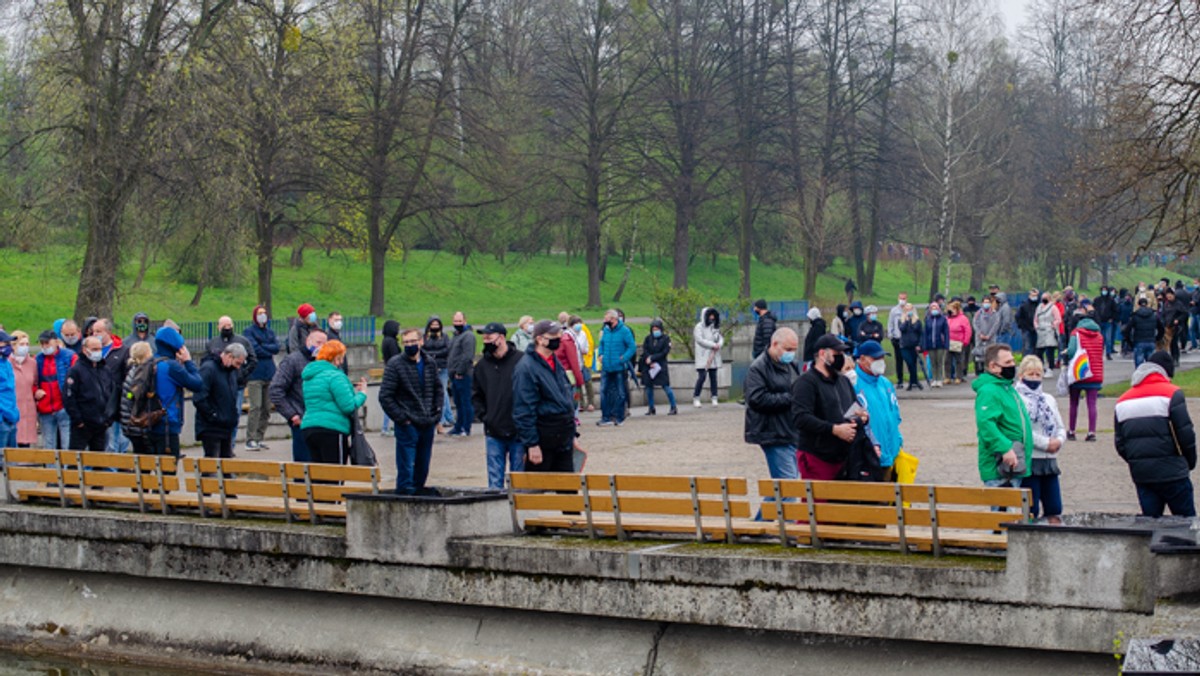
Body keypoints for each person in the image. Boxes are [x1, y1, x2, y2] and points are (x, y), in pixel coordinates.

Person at [1115, 351, 1197, 517]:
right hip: (1173, 472)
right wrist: (1189, 462)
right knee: (1187, 525)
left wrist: (1137, 462)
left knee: (1150, 525)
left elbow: (1120, 443)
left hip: (1143, 474)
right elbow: (1185, 434)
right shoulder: (1172, 394)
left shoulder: (1122, 401)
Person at [380, 328, 444, 494]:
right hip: (408, 423)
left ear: (421, 342)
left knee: (423, 464)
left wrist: (436, 413)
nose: (409, 345)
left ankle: (419, 494)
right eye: (406, 342)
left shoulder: (429, 362)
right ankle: (405, 496)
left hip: (427, 421)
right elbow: (385, 396)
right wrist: (402, 419)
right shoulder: (395, 364)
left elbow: (438, 389)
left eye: (412, 342)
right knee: (406, 466)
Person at [512, 320, 578, 473]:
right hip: (543, 439)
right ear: (540, 339)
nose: (558, 338)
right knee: (536, 491)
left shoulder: (556, 362)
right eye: (553, 335)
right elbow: (523, 409)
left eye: (559, 334)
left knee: (568, 491)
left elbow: (566, 397)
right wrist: (532, 444)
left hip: (563, 438)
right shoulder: (526, 368)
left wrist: (572, 434)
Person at [792, 334, 861, 480]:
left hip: (844, 456)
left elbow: (855, 408)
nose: (841, 357)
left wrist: (862, 417)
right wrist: (834, 429)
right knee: (818, 501)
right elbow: (801, 418)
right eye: (837, 354)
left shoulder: (844, 381)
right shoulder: (806, 382)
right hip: (817, 455)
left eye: (843, 353)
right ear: (823, 354)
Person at [972, 343, 1033, 489]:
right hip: (1000, 468)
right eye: (1008, 362)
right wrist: (1005, 448)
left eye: (1013, 361)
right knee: (1005, 511)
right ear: (993, 366)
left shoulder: (1007, 388)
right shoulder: (989, 391)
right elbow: (986, 424)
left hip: (1015, 462)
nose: (1013, 365)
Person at [745, 328, 801, 484]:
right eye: (788, 349)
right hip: (773, 433)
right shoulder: (758, 368)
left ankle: (765, 510)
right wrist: (790, 398)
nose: (791, 353)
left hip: (791, 430)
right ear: (775, 344)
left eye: (794, 350)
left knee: (784, 487)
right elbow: (756, 399)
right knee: (788, 485)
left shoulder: (792, 365)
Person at [472, 322, 524, 488]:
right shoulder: (482, 366)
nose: (486, 341)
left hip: (518, 430)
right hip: (494, 431)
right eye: (484, 338)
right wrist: (485, 417)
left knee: (519, 482)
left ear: (501, 338)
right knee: (494, 482)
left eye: (489, 337)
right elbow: (475, 394)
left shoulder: (521, 361)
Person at [1014, 355, 1066, 521]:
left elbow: (1061, 426)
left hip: (1050, 460)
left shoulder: (1048, 399)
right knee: (1031, 508)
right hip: (1031, 459)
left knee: (1054, 507)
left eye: (1038, 374)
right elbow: (1023, 430)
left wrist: (1059, 441)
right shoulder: (1017, 399)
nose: (1034, 378)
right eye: (1031, 374)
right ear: (1021, 375)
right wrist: (1045, 444)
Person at [300, 341, 368, 465]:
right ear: (336, 358)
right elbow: (348, 406)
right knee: (335, 475)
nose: (342, 362)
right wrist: (362, 394)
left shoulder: (309, 377)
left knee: (319, 475)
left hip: (309, 428)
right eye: (342, 357)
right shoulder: (336, 376)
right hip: (332, 429)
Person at [269, 329, 327, 462]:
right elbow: (276, 389)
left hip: (323, 422)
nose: (321, 347)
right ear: (308, 341)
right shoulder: (293, 360)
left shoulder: (325, 363)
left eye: (325, 344)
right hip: (302, 421)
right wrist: (292, 415)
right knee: (304, 467)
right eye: (318, 342)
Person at [148, 326, 204, 457]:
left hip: (148, 422)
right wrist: (188, 361)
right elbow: (197, 384)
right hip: (167, 425)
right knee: (168, 473)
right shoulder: (172, 367)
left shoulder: (150, 362)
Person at [852, 341, 902, 479]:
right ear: (862, 359)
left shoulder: (885, 383)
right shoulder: (853, 385)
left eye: (882, 358)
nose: (880, 362)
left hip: (892, 452)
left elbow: (895, 415)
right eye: (875, 359)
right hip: (870, 456)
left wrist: (898, 441)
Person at [194, 343, 248, 459]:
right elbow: (199, 397)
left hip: (226, 426)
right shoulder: (208, 369)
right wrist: (213, 415)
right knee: (212, 467)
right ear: (229, 356)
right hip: (211, 427)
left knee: (226, 467)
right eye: (237, 363)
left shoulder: (231, 371)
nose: (238, 367)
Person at [64, 336, 116, 451]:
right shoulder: (76, 371)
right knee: (75, 459)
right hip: (83, 424)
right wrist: (78, 420)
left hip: (101, 424)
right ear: (85, 349)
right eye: (94, 349)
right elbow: (69, 397)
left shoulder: (105, 369)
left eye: (99, 348)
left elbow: (111, 394)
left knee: (99, 460)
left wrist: (109, 419)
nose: (97, 352)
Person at [1064, 313, 1105, 442]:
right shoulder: (1099, 335)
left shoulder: (1076, 334)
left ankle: (1072, 431)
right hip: (1095, 373)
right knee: (1092, 404)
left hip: (1079, 373)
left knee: (1074, 403)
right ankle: (1091, 432)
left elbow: (1071, 351)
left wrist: (1065, 354)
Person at [244, 305, 279, 450]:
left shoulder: (270, 332)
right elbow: (254, 349)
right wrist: (266, 347)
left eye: (264, 313)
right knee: (256, 407)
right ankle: (250, 439)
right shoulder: (249, 331)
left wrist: (263, 345)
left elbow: (276, 347)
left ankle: (259, 437)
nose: (262, 316)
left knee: (266, 407)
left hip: (269, 373)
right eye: (260, 313)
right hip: (255, 375)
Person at [34, 330, 75, 449]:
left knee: (67, 444)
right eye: (42, 343)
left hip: (64, 406)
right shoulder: (38, 359)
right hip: (45, 407)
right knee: (48, 444)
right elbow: (32, 380)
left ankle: (67, 467)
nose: (44, 346)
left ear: (56, 342)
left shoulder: (70, 356)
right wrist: (35, 390)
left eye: (47, 342)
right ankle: (50, 467)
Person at [597, 309, 636, 424]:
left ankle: (619, 417)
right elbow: (601, 344)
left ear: (614, 319)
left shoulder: (625, 331)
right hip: (606, 366)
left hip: (619, 367)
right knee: (603, 391)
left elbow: (632, 347)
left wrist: (623, 358)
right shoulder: (606, 330)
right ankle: (606, 417)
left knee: (621, 392)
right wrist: (600, 354)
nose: (605, 321)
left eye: (607, 319)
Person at [117, 341, 156, 455]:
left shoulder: (132, 371)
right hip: (137, 424)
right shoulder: (139, 374)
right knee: (145, 455)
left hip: (130, 422)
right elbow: (132, 396)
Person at [422, 315, 455, 433]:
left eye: (437, 325)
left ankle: (445, 418)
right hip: (430, 367)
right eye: (432, 325)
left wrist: (434, 355)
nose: (434, 327)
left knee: (443, 392)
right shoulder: (425, 337)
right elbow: (423, 350)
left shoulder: (444, 337)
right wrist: (432, 356)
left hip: (442, 367)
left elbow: (447, 349)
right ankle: (445, 418)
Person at [446, 311, 476, 438]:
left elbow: (467, 356)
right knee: (458, 402)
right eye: (455, 321)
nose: (457, 323)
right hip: (453, 374)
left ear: (465, 321)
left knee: (465, 402)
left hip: (463, 374)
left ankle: (466, 427)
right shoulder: (455, 336)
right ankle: (458, 426)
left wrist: (460, 371)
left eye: (459, 321)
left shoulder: (468, 336)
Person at [640, 319, 677, 415]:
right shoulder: (648, 338)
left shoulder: (666, 339)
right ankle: (651, 407)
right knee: (648, 387)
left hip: (661, 365)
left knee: (666, 386)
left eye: (657, 329)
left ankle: (673, 406)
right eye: (653, 329)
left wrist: (653, 358)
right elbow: (645, 349)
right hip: (649, 365)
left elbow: (664, 352)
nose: (655, 331)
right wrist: (649, 360)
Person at [8, 331, 36, 447]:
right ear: (13, 345)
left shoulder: (32, 363)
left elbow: (35, 383)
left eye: (27, 344)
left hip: (28, 411)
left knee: (25, 446)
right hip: (11, 411)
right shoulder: (6, 363)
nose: (25, 347)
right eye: (22, 344)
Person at [691, 307, 723, 409]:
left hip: (713, 356)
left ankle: (714, 397)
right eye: (710, 316)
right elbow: (700, 340)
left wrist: (719, 344)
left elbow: (720, 338)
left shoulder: (715, 327)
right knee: (702, 377)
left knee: (713, 378)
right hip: (703, 356)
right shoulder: (699, 327)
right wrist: (712, 345)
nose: (712, 318)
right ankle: (696, 397)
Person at [554, 311, 585, 408]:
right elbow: (573, 361)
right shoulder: (568, 340)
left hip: (568, 373)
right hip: (570, 374)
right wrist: (579, 378)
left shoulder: (568, 338)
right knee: (574, 399)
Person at [567, 315, 595, 411]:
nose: (578, 325)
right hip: (573, 364)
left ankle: (591, 403)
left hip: (582, 362)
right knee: (577, 386)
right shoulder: (568, 335)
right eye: (576, 323)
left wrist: (584, 350)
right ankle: (579, 403)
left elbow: (586, 347)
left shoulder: (583, 333)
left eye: (579, 323)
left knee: (588, 382)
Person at [379, 320, 402, 437]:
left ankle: (386, 426)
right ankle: (387, 426)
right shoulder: (391, 342)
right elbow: (396, 357)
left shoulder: (385, 340)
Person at [1127, 297, 1163, 368]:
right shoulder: (1154, 315)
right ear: (1147, 304)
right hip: (1151, 341)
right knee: (1151, 365)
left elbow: (1127, 330)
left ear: (1138, 305)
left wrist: (1130, 342)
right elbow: (1161, 328)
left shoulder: (1135, 316)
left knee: (1139, 366)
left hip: (1139, 341)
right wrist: (1157, 338)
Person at [945, 300, 972, 385]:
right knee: (947, 360)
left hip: (959, 342)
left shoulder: (963, 318)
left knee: (959, 360)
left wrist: (965, 341)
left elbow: (968, 330)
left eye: (952, 309)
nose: (951, 311)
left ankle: (959, 377)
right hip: (948, 342)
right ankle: (947, 377)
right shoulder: (947, 318)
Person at [897, 303, 924, 391]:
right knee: (909, 363)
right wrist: (907, 320)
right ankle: (914, 380)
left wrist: (919, 345)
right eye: (907, 310)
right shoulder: (901, 320)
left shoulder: (917, 321)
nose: (909, 311)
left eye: (910, 309)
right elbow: (902, 329)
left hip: (914, 345)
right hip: (904, 345)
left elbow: (920, 334)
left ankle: (913, 382)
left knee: (914, 363)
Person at [923, 302, 950, 388]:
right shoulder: (928, 320)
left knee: (939, 362)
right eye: (932, 308)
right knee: (933, 362)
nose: (934, 310)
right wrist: (925, 344)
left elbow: (946, 333)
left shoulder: (943, 319)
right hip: (931, 344)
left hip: (940, 344)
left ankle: (939, 379)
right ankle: (934, 379)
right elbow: (925, 333)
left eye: (935, 308)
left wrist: (946, 344)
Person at [1160, 288, 1189, 365]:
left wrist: (1178, 320)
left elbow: (1185, 313)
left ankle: (1175, 358)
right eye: (1167, 297)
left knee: (1174, 342)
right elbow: (1163, 314)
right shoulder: (1166, 304)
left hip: (1176, 326)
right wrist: (1163, 321)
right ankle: (1170, 358)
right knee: (1167, 343)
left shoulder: (1178, 304)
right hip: (1167, 325)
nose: (1169, 298)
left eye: (1170, 296)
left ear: (1173, 295)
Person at [1034, 292, 1061, 373]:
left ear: (1049, 299)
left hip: (1050, 331)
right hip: (1040, 331)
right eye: (1043, 297)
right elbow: (1035, 319)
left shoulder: (1053, 307)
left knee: (1050, 351)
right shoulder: (1039, 307)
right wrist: (1036, 327)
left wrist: (1053, 325)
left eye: (1045, 297)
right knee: (1038, 352)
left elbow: (1058, 319)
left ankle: (1050, 368)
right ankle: (1041, 367)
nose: (1044, 299)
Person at [888, 293, 908, 387]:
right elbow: (890, 324)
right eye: (900, 298)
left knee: (909, 360)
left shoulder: (910, 309)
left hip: (908, 339)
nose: (902, 300)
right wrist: (891, 336)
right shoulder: (894, 310)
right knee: (898, 361)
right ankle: (900, 380)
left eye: (904, 298)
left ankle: (912, 379)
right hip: (897, 338)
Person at [1093, 286, 1118, 360]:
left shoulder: (1111, 300)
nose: (1104, 292)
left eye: (1105, 290)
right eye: (1103, 290)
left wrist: (1112, 318)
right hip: (1099, 322)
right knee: (1099, 339)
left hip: (1108, 322)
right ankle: (1099, 353)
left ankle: (1108, 353)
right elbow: (1094, 309)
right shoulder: (1097, 300)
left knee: (1108, 339)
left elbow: (1115, 310)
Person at [1015, 289, 1040, 359]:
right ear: (1029, 295)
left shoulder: (1038, 305)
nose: (1034, 297)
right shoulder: (1024, 305)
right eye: (1033, 295)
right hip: (1026, 329)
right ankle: (1026, 362)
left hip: (1036, 329)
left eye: (1035, 295)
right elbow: (1018, 316)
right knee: (1027, 347)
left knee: (1036, 348)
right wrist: (1021, 326)